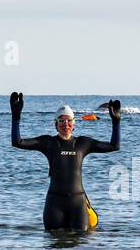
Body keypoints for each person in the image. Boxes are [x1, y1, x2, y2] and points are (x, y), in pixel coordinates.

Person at [10, 93, 120, 230]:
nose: (65, 124)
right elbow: (17, 142)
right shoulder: (48, 142)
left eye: (68, 120)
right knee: (53, 244)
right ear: (55, 125)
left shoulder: (83, 143)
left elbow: (114, 146)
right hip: (54, 203)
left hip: (77, 203)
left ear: (73, 124)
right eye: (61, 121)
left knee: (81, 244)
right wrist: (16, 117)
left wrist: (116, 122)